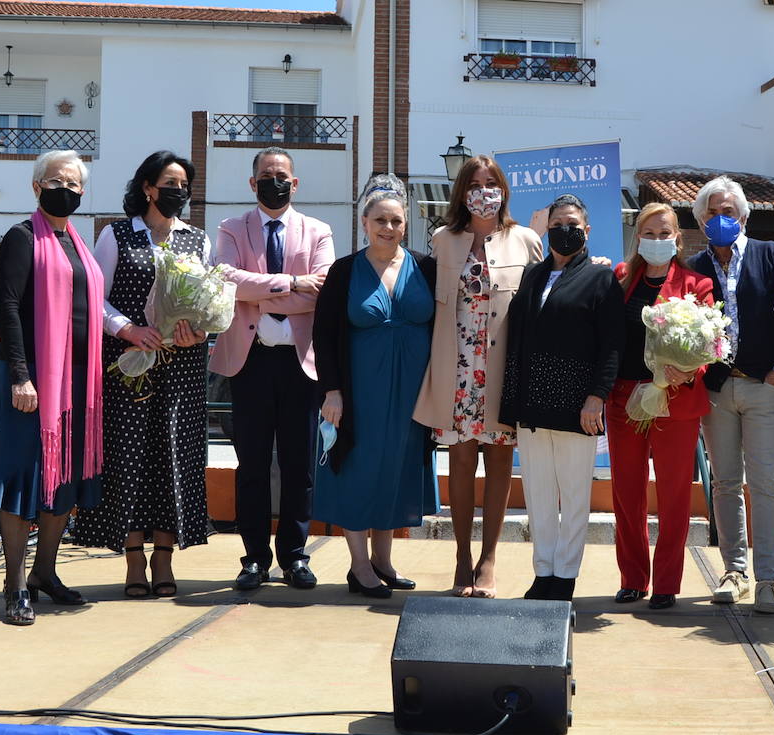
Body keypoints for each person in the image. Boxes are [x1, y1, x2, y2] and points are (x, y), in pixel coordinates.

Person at [0, 149, 106, 626]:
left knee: (64, 481)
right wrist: (21, 376)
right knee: (22, 480)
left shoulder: (78, 243)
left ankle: (44, 574)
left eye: (74, 184)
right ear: (37, 186)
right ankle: (14, 584)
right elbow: (7, 308)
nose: (66, 190)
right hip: (33, 383)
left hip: (76, 382)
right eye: (57, 182)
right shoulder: (22, 237)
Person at [75, 151, 211, 599]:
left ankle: (165, 557)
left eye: (184, 184)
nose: (178, 191)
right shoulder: (115, 235)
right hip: (128, 366)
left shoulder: (197, 240)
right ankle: (134, 559)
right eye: (170, 182)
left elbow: (205, 300)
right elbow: (95, 298)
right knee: (129, 456)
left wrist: (198, 330)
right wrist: (127, 329)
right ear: (148, 188)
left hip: (181, 368)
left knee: (173, 454)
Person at [413, 155, 543, 598]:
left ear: (503, 190)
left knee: (501, 463)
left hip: (503, 369)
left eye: (491, 182)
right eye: (474, 182)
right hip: (458, 368)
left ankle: (489, 558)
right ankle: (462, 556)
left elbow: (542, 303)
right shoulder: (442, 240)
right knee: (463, 461)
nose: (483, 190)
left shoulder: (525, 239)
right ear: (461, 191)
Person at [211, 147, 334, 592]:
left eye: (282, 175)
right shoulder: (231, 227)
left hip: (301, 367)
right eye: (266, 175)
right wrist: (289, 284)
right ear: (252, 183)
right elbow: (225, 279)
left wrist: (255, 289)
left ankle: (295, 556)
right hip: (250, 363)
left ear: (295, 183)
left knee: (300, 466)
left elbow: (320, 291)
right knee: (253, 465)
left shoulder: (318, 231)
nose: (274, 181)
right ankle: (255, 559)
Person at [314, 175, 438, 598]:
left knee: (399, 468)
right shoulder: (345, 270)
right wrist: (332, 391)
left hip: (412, 392)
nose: (389, 227)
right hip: (359, 392)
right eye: (380, 219)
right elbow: (324, 334)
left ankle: (384, 560)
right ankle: (359, 566)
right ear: (364, 221)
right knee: (359, 469)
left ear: (407, 224)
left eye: (397, 220)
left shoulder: (426, 266)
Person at [688, 177, 774, 614]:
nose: (721, 218)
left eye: (729, 211)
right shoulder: (694, 265)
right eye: (713, 212)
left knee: (764, 483)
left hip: (763, 386)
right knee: (724, 483)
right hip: (716, 390)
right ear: (701, 220)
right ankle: (733, 571)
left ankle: (768, 579)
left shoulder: (770, 255)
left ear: (743, 216)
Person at [500, 194, 623, 601]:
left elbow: (611, 346)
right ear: (547, 229)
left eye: (572, 223)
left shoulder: (601, 279)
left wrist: (596, 397)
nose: (564, 230)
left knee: (573, 496)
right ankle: (543, 572)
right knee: (537, 495)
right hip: (532, 406)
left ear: (586, 231)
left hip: (576, 408)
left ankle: (565, 576)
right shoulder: (533, 276)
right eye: (556, 224)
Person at [608, 203, 716, 611]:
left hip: (675, 401)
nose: (657, 240)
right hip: (624, 400)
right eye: (649, 234)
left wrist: (686, 371)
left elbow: (710, 344)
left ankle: (667, 583)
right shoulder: (620, 279)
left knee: (673, 496)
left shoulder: (696, 284)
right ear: (638, 237)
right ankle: (633, 578)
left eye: (664, 233)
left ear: (678, 238)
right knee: (626, 494)